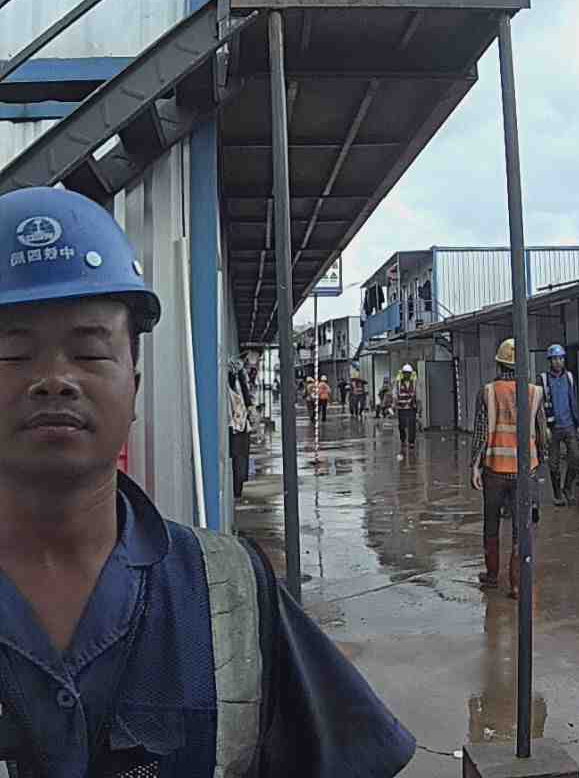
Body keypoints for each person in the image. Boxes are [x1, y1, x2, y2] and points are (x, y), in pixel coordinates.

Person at [0, 186, 416, 776]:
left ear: (134, 386)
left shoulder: (231, 592)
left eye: (89, 352)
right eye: (13, 353)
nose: (54, 379)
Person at [471, 338, 547, 599]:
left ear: (499, 364)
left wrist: (475, 467)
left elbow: (480, 433)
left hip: (494, 469)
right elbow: (542, 433)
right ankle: (516, 585)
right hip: (525, 472)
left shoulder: (488, 392)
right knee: (520, 528)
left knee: (491, 524)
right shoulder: (534, 392)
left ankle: (492, 576)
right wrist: (539, 463)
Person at [537, 343, 579, 506]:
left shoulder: (569, 377)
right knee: (554, 464)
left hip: (569, 425)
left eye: (561, 358)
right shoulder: (543, 379)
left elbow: (573, 401)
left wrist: (578, 424)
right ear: (550, 361)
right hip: (552, 428)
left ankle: (567, 488)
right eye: (555, 359)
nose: (558, 362)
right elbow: (539, 405)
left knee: (577, 458)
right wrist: (543, 427)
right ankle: (557, 495)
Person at [394, 364, 418, 446]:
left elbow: (418, 394)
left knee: (412, 424)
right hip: (401, 407)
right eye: (405, 373)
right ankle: (403, 439)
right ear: (403, 373)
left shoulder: (414, 383)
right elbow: (395, 394)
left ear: (411, 374)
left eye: (408, 373)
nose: (407, 375)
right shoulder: (398, 383)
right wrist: (394, 405)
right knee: (402, 425)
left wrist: (419, 405)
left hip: (411, 407)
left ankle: (411, 441)